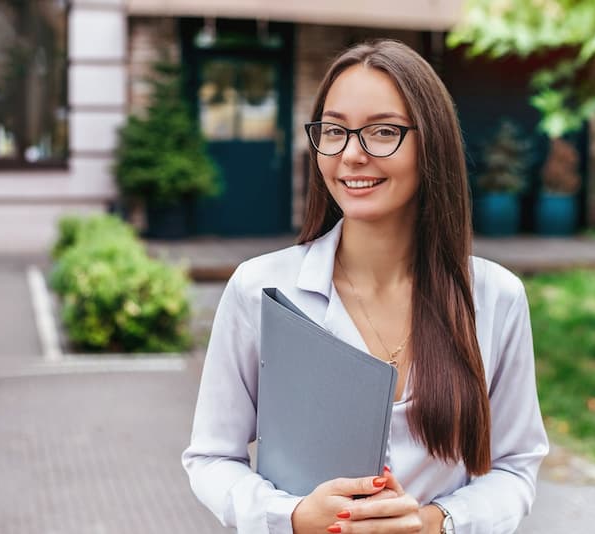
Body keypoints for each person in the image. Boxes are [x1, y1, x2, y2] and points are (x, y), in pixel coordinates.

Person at [182, 39, 548, 534]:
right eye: (334, 131)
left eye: (382, 132)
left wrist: (435, 522)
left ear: (431, 143)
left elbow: (515, 466)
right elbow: (210, 457)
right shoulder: (260, 289)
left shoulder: (494, 297)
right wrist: (290, 517)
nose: (351, 155)